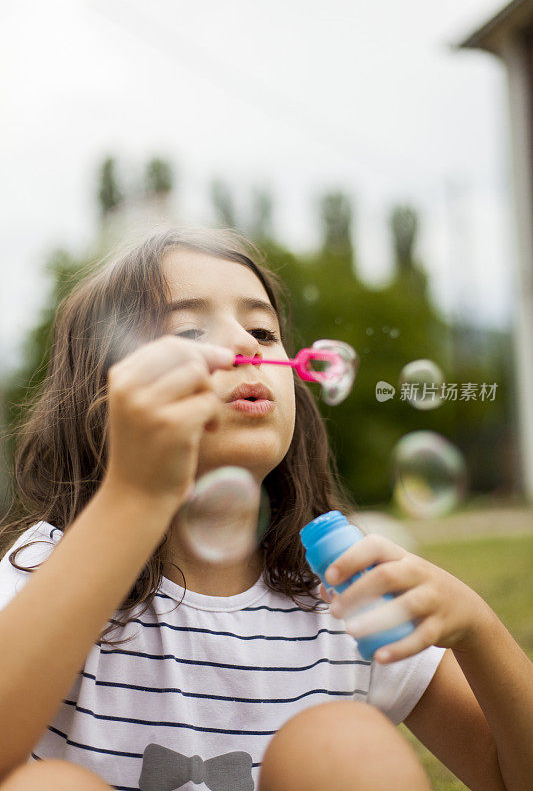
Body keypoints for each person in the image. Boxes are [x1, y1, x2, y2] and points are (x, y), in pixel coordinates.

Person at [0, 226, 531, 791]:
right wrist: (135, 497)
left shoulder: (342, 590)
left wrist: (477, 629)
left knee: (344, 747)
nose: (247, 345)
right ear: (105, 396)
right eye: (192, 331)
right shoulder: (47, 571)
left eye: (262, 329)